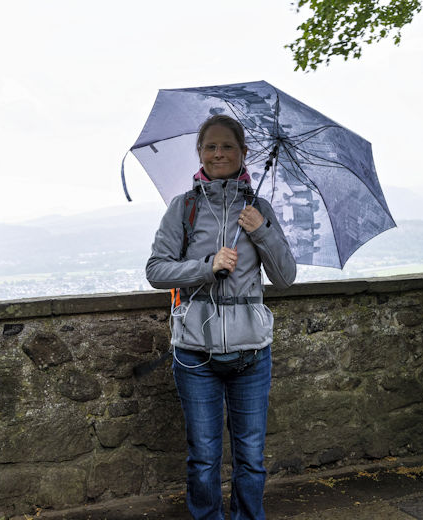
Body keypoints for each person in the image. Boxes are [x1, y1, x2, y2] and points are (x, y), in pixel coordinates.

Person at [146, 114, 296, 520]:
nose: (218, 153)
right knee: (204, 457)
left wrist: (262, 231)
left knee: (251, 457)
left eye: (227, 146)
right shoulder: (184, 208)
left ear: (243, 152)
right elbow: (156, 270)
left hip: (252, 354)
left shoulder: (259, 208)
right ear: (199, 152)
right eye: (210, 146)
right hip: (195, 353)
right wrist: (206, 266)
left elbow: (285, 277)